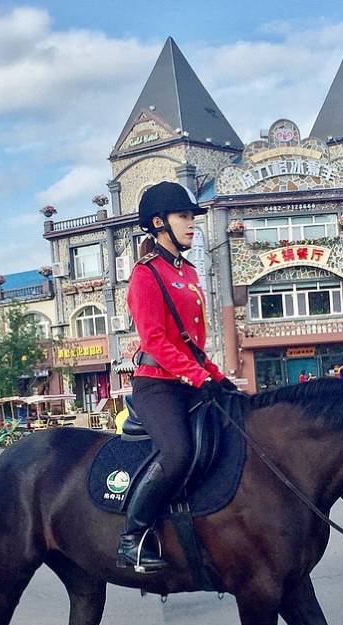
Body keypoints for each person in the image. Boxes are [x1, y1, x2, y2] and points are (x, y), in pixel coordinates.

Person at [118, 180, 237, 573]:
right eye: (183, 216)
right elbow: (156, 339)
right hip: (157, 384)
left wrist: (217, 377)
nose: (191, 224)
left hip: (189, 378)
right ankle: (131, 538)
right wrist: (197, 377)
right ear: (158, 223)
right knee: (178, 452)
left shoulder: (185, 271)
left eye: (192, 217)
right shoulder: (146, 275)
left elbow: (192, 343)